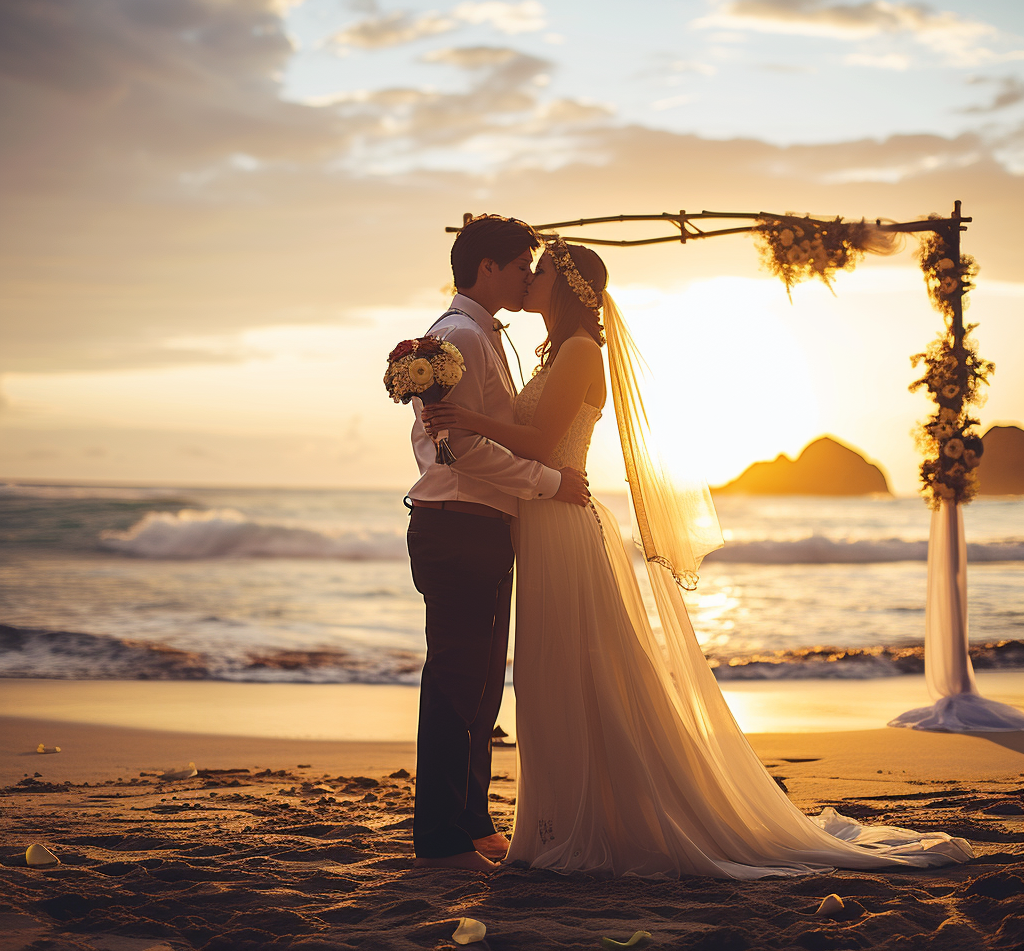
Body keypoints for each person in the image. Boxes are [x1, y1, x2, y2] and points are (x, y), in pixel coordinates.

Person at [421, 237, 973, 878]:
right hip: (540, 521)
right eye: (526, 268)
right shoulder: (545, 351)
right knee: (546, 676)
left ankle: (576, 822)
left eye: (538, 271)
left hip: (562, 522)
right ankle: (551, 821)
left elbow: (543, 442)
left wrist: (469, 419)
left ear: (565, 288)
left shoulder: (577, 352)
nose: (529, 280)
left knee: (568, 674)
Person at [405, 215, 590, 873]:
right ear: (488, 266)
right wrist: (547, 482)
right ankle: (441, 840)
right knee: (457, 683)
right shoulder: (460, 336)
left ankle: (471, 820)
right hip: (458, 523)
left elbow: (462, 436)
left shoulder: (477, 336)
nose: (525, 278)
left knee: (481, 687)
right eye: (520, 267)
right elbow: (458, 448)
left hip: (479, 524)